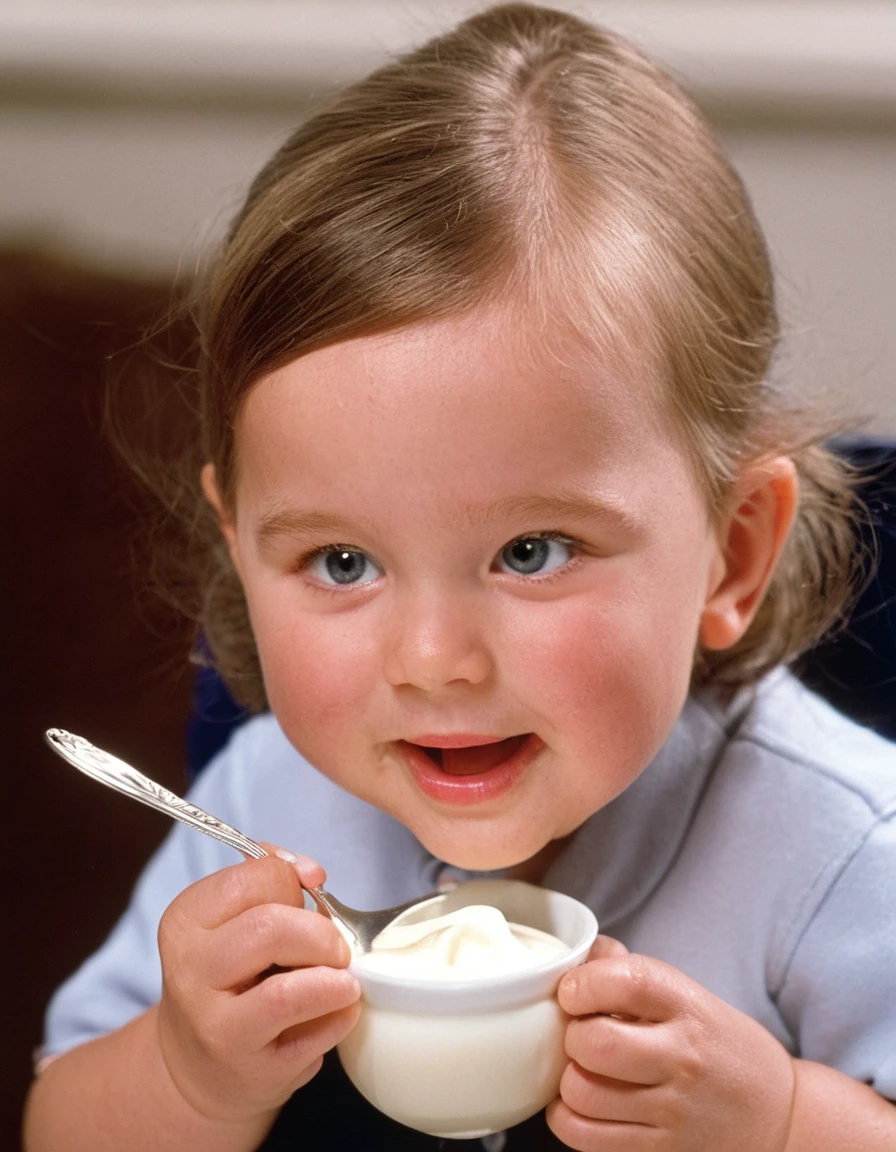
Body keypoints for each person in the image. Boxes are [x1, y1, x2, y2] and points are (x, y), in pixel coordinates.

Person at [23, 5, 896, 1150]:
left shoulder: (838, 852)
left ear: (731, 553)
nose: (432, 659)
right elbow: (59, 1127)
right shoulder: (261, 809)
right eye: (342, 562)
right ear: (240, 552)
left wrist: (782, 1123)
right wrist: (187, 1080)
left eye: (530, 552)